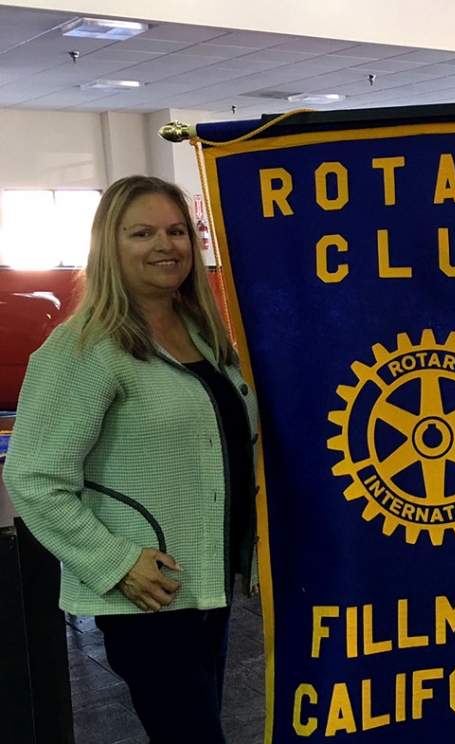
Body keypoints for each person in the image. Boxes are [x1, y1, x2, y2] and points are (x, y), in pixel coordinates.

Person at [3, 175, 259, 744]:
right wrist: (115, 563)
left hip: (207, 581)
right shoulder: (84, 348)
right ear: (109, 247)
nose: (165, 246)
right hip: (149, 592)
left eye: (176, 231)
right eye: (142, 232)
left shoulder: (202, 334)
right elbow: (33, 476)